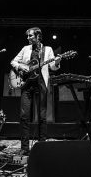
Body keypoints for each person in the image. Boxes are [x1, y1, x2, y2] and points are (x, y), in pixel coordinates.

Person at [11, 27, 61, 155]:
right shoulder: (25, 48)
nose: (28, 38)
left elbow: (53, 67)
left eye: (30, 36)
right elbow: (13, 62)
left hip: (41, 84)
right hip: (26, 85)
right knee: (24, 116)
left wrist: (57, 61)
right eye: (27, 36)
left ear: (38, 36)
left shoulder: (48, 49)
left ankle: (42, 145)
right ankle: (24, 147)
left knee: (42, 116)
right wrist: (24, 68)